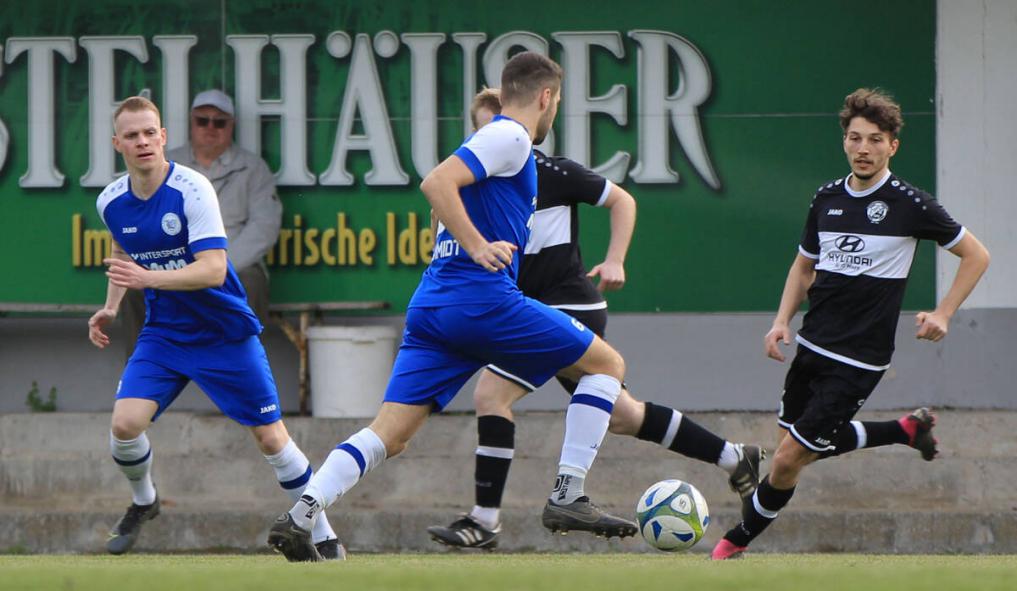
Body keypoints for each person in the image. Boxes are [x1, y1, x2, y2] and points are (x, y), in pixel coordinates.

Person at [267, 52, 636, 562]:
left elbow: (442, 202)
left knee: (390, 434)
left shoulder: (491, 147)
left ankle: (304, 511)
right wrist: (480, 245)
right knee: (608, 365)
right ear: (547, 97)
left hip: (433, 308)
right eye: (557, 102)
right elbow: (434, 183)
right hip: (481, 302)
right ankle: (568, 494)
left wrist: (464, 238)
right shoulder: (511, 137)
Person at [426, 88, 763, 550]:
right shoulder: (474, 188)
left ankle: (486, 520)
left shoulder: (551, 171)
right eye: (482, 130)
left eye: (499, 125)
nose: (492, 137)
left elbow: (623, 200)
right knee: (623, 415)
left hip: (569, 304)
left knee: (490, 394)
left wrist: (616, 260)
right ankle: (733, 456)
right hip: (525, 309)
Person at [710, 88, 990, 560]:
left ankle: (730, 544)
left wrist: (944, 313)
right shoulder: (827, 198)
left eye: (875, 140)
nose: (864, 148)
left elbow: (976, 255)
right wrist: (781, 322)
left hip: (859, 358)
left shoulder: (910, 204)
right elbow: (803, 267)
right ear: (844, 141)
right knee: (798, 449)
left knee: (786, 461)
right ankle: (904, 431)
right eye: (856, 138)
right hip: (813, 346)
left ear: (892, 146)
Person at [87, 96, 341, 559]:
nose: (142, 141)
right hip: (165, 334)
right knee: (124, 424)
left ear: (163, 137)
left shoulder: (192, 188)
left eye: (150, 132)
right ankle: (145, 500)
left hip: (224, 332)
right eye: (132, 135)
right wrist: (111, 305)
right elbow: (123, 253)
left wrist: (149, 279)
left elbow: (213, 269)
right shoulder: (111, 201)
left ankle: (323, 533)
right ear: (117, 144)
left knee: (271, 437)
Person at [121, 89, 281, 355]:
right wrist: (175, 269)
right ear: (191, 123)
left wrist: (218, 267)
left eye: (219, 122)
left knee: (250, 282)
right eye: (202, 120)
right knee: (135, 287)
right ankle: (143, 373)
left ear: (232, 126)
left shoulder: (253, 168)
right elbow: (142, 217)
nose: (210, 128)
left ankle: (241, 372)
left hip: (231, 263)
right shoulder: (165, 164)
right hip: (171, 259)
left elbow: (264, 227)